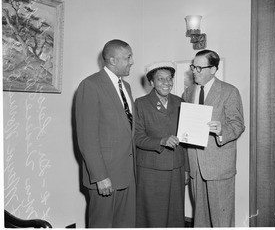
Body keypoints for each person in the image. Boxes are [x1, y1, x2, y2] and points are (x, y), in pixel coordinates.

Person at [75, 39, 136, 228]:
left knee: (125, 224)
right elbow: (87, 137)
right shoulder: (90, 85)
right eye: (128, 57)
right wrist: (100, 176)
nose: (132, 62)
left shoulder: (126, 87)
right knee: (102, 225)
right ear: (112, 60)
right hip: (105, 176)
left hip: (127, 173)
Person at [182, 49, 245, 227]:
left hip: (219, 167)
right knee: (200, 218)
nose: (194, 71)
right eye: (193, 67)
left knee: (221, 219)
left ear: (213, 69)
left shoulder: (229, 91)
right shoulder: (188, 93)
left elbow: (238, 125)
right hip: (196, 166)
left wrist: (221, 130)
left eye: (199, 68)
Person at [135, 61, 190, 227]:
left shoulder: (180, 102)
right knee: (152, 215)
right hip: (151, 169)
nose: (166, 83)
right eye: (160, 79)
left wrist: (186, 168)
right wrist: (161, 141)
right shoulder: (141, 103)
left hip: (176, 167)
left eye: (169, 78)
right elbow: (137, 137)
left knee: (175, 215)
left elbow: (186, 140)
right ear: (152, 82)